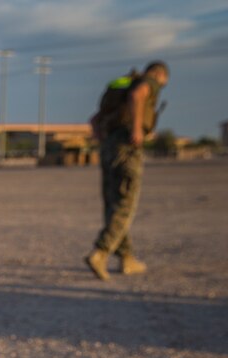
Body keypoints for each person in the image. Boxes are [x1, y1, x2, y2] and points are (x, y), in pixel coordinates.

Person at [84, 62, 169, 280]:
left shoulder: (119, 88)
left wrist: (102, 137)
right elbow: (137, 96)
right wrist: (137, 129)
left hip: (109, 147)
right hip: (126, 146)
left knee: (113, 202)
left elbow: (94, 119)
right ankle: (101, 252)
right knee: (125, 203)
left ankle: (127, 258)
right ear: (160, 75)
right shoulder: (147, 82)